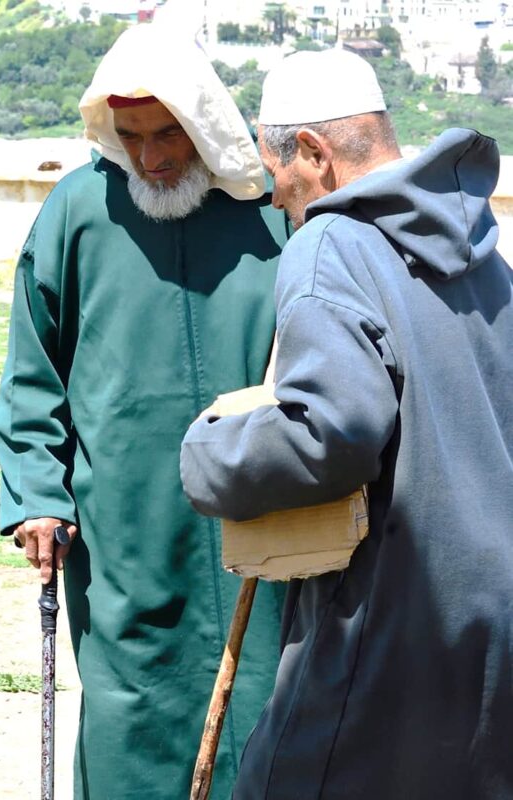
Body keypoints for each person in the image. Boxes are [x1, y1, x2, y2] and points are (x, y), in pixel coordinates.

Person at [180, 47, 513, 799]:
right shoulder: (479, 249)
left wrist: (208, 453)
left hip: (397, 610)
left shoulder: (331, 243)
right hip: (493, 617)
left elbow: (330, 431)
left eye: (279, 182)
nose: (280, 202)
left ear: (313, 153)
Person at [0, 20, 289, 800]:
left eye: (169, 135)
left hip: (264, 520)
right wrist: (36, 496)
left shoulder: (273, 209)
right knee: (130, 710)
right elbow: (32, 375)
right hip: (122, 527)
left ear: (204, 124)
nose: (152, 158)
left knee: (269, 704)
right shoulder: (79, 209)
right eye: (132, 137)